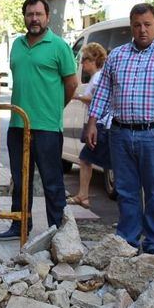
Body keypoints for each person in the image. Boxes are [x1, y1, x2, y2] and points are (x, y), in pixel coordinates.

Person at [86, 3, 154, 254]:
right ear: (131, 26)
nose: (142, 30)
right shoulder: (117, 55)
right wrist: (92, 122)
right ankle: (128, 242)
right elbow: (104, 92)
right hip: (121, 133)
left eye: (147, 25)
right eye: (137, 25)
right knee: (126, 191)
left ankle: (153, 246)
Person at [0, 0, 79, 241]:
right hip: (19, 125)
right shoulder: (18, 45)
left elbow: (72, 83)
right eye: (30, 14)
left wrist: (54, 107)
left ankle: (58, 230)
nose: (34, 19)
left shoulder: (59, 46)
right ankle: (19, 225)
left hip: (48, 127)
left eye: (38, 14)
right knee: (20, 181)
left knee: (52, 183)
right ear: (24, 17)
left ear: (47, 17)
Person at [67, 42, 110, 209]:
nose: (82, 63)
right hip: (96, 124)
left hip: (100, 124)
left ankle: (83, 196)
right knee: (86, 159)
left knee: (86, 159)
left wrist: (76, 96)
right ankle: (83, 195)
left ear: (94, 60)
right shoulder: (96, 77)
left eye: (84, 59)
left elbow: (98, 99)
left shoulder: (98, 77)